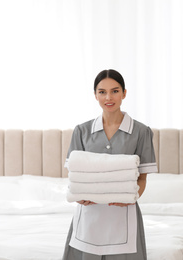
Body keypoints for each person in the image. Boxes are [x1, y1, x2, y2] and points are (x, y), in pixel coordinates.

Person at [62, 69, 158, 260]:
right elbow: (75, 174)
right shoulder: (81, 131)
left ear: (124, 93)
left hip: (124, 217)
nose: (108, 97)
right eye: (102, 92)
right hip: (89, 217)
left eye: (115, 91)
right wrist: (80, 196)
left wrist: (130, 197)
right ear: (95, 95)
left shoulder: (141, 132)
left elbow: (142, 178)